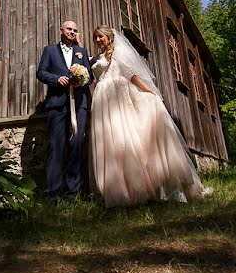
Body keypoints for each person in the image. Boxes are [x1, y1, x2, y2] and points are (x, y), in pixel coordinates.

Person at [88, 25, 210, 207]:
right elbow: (93, 76)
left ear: (109, 37)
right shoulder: (95, 58)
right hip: (103, 102)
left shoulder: (119, 53)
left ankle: (154, 187)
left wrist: (148, 90)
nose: (98, 40)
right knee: (112, 142)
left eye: (101, 37)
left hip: (119, 99)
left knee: (129, 139)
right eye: (95, 37)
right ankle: (122, 189)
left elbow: (132, 75)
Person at [36, 20, 93, 201]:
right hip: (57, 104)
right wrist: (57, 79)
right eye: (69, 29)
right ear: (61, 30)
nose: (72, 32)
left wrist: (81, 80)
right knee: (55, 146)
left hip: (79, 104)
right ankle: (52, 194)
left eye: (75, 30)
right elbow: (41, 72)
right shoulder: (49, 50)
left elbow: (90, 77)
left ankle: (72, 194)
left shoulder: (82, 52)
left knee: (76, 146)